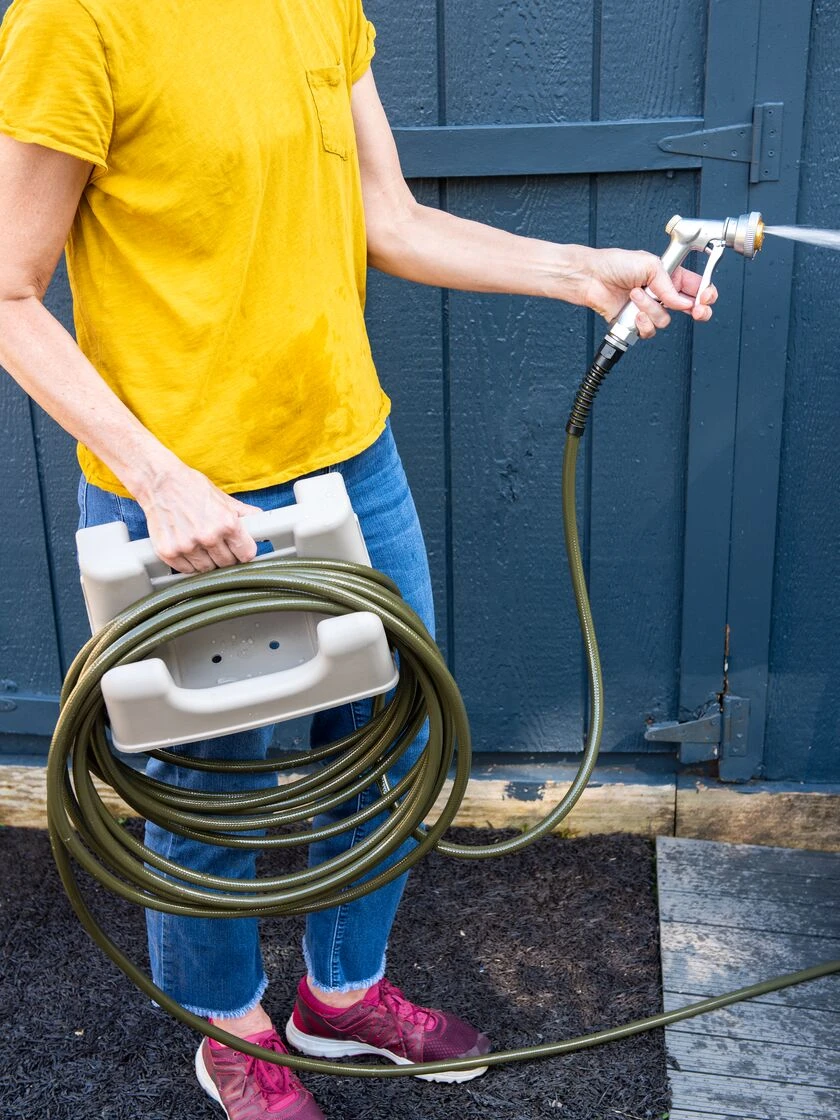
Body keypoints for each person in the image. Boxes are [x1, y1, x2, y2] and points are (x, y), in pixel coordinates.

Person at [0, 1, 716, 1117]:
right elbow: (8, 293)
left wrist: (581, 270)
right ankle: (230, 1029)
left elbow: (387, 216)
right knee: (210, 799)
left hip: (351, 467)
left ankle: (340, 1000)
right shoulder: (76, 21)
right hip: (193, 502)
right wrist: (156, 477)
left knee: (390, 751)